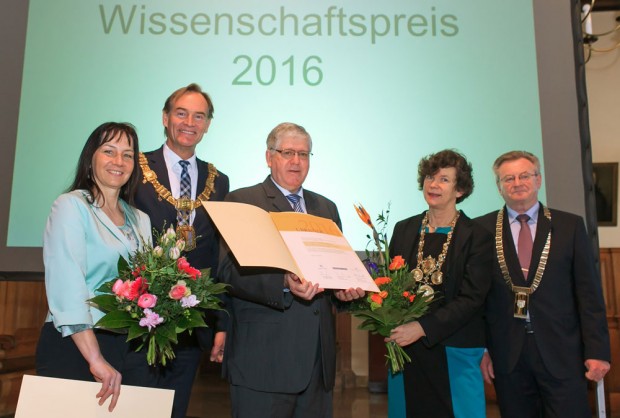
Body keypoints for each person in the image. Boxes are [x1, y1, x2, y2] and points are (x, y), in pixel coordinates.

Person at [218, 122, 364, 418]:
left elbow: (332, 274)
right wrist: (283, 282)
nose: (296, 161)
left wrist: (344, 292)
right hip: (263, 362)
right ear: (269, 157)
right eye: (287, 153)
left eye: (304, 154)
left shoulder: (326, 208)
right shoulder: (243, 201)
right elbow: (228, 272)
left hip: (317, 366)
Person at [476, 150, 611, 418]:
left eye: (525, 176)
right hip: (507, 355)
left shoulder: (570, 226)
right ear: (499, 187)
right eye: (509, 178)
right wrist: (481, 349)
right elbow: (477, 298)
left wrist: (597, 351)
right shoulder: (481, 230)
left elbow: (589, 295)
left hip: (563, 353)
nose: (517, 183)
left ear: (538, 180)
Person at [36, 122, 151, 412]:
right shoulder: (71, 206)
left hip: (130, 347)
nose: (119, 161)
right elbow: (67, 287)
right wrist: (95, 358)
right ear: (91, 158)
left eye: (127, 155)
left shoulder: (141, 219)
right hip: (77, 344)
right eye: (109, 151)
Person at [134, 83, 230, 418]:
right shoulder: (133, 169)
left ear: (207, 125)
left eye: (199, 116)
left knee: (175, 410)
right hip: (138, 319)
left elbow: (219, 255)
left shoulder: (219, 181)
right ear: (165, 118)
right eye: (181, 113)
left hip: (191, 322)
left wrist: (221, 322)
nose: (189, 122)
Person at [387, 149, 493, 418]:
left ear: (460, 189)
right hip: (407, 349)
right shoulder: (404, 229)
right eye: (430, 177)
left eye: (444, 179)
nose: (433, 185)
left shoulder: (477, 236)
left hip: (455, 350)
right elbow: (389, 285)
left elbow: (472, 299)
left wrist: (422, 328)